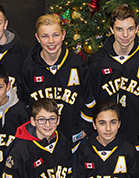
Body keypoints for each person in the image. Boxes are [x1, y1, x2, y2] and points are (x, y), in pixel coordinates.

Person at [86, 4, 139, 151]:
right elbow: (90, 101)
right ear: (111, 30)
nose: (125, 35)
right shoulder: (97, 62)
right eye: (119, 29)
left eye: (130, 29)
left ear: (137, 29)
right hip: (106, 141)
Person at [21, 13, 90, 146]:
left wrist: (84, 129)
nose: (51, 41)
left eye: (55, 35)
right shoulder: (29, 67)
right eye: (45, 36)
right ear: (37, 38)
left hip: (73, 140)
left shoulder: (77, 64)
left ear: (63, 35)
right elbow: (25, 104)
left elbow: (89, 100)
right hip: (40, 141)